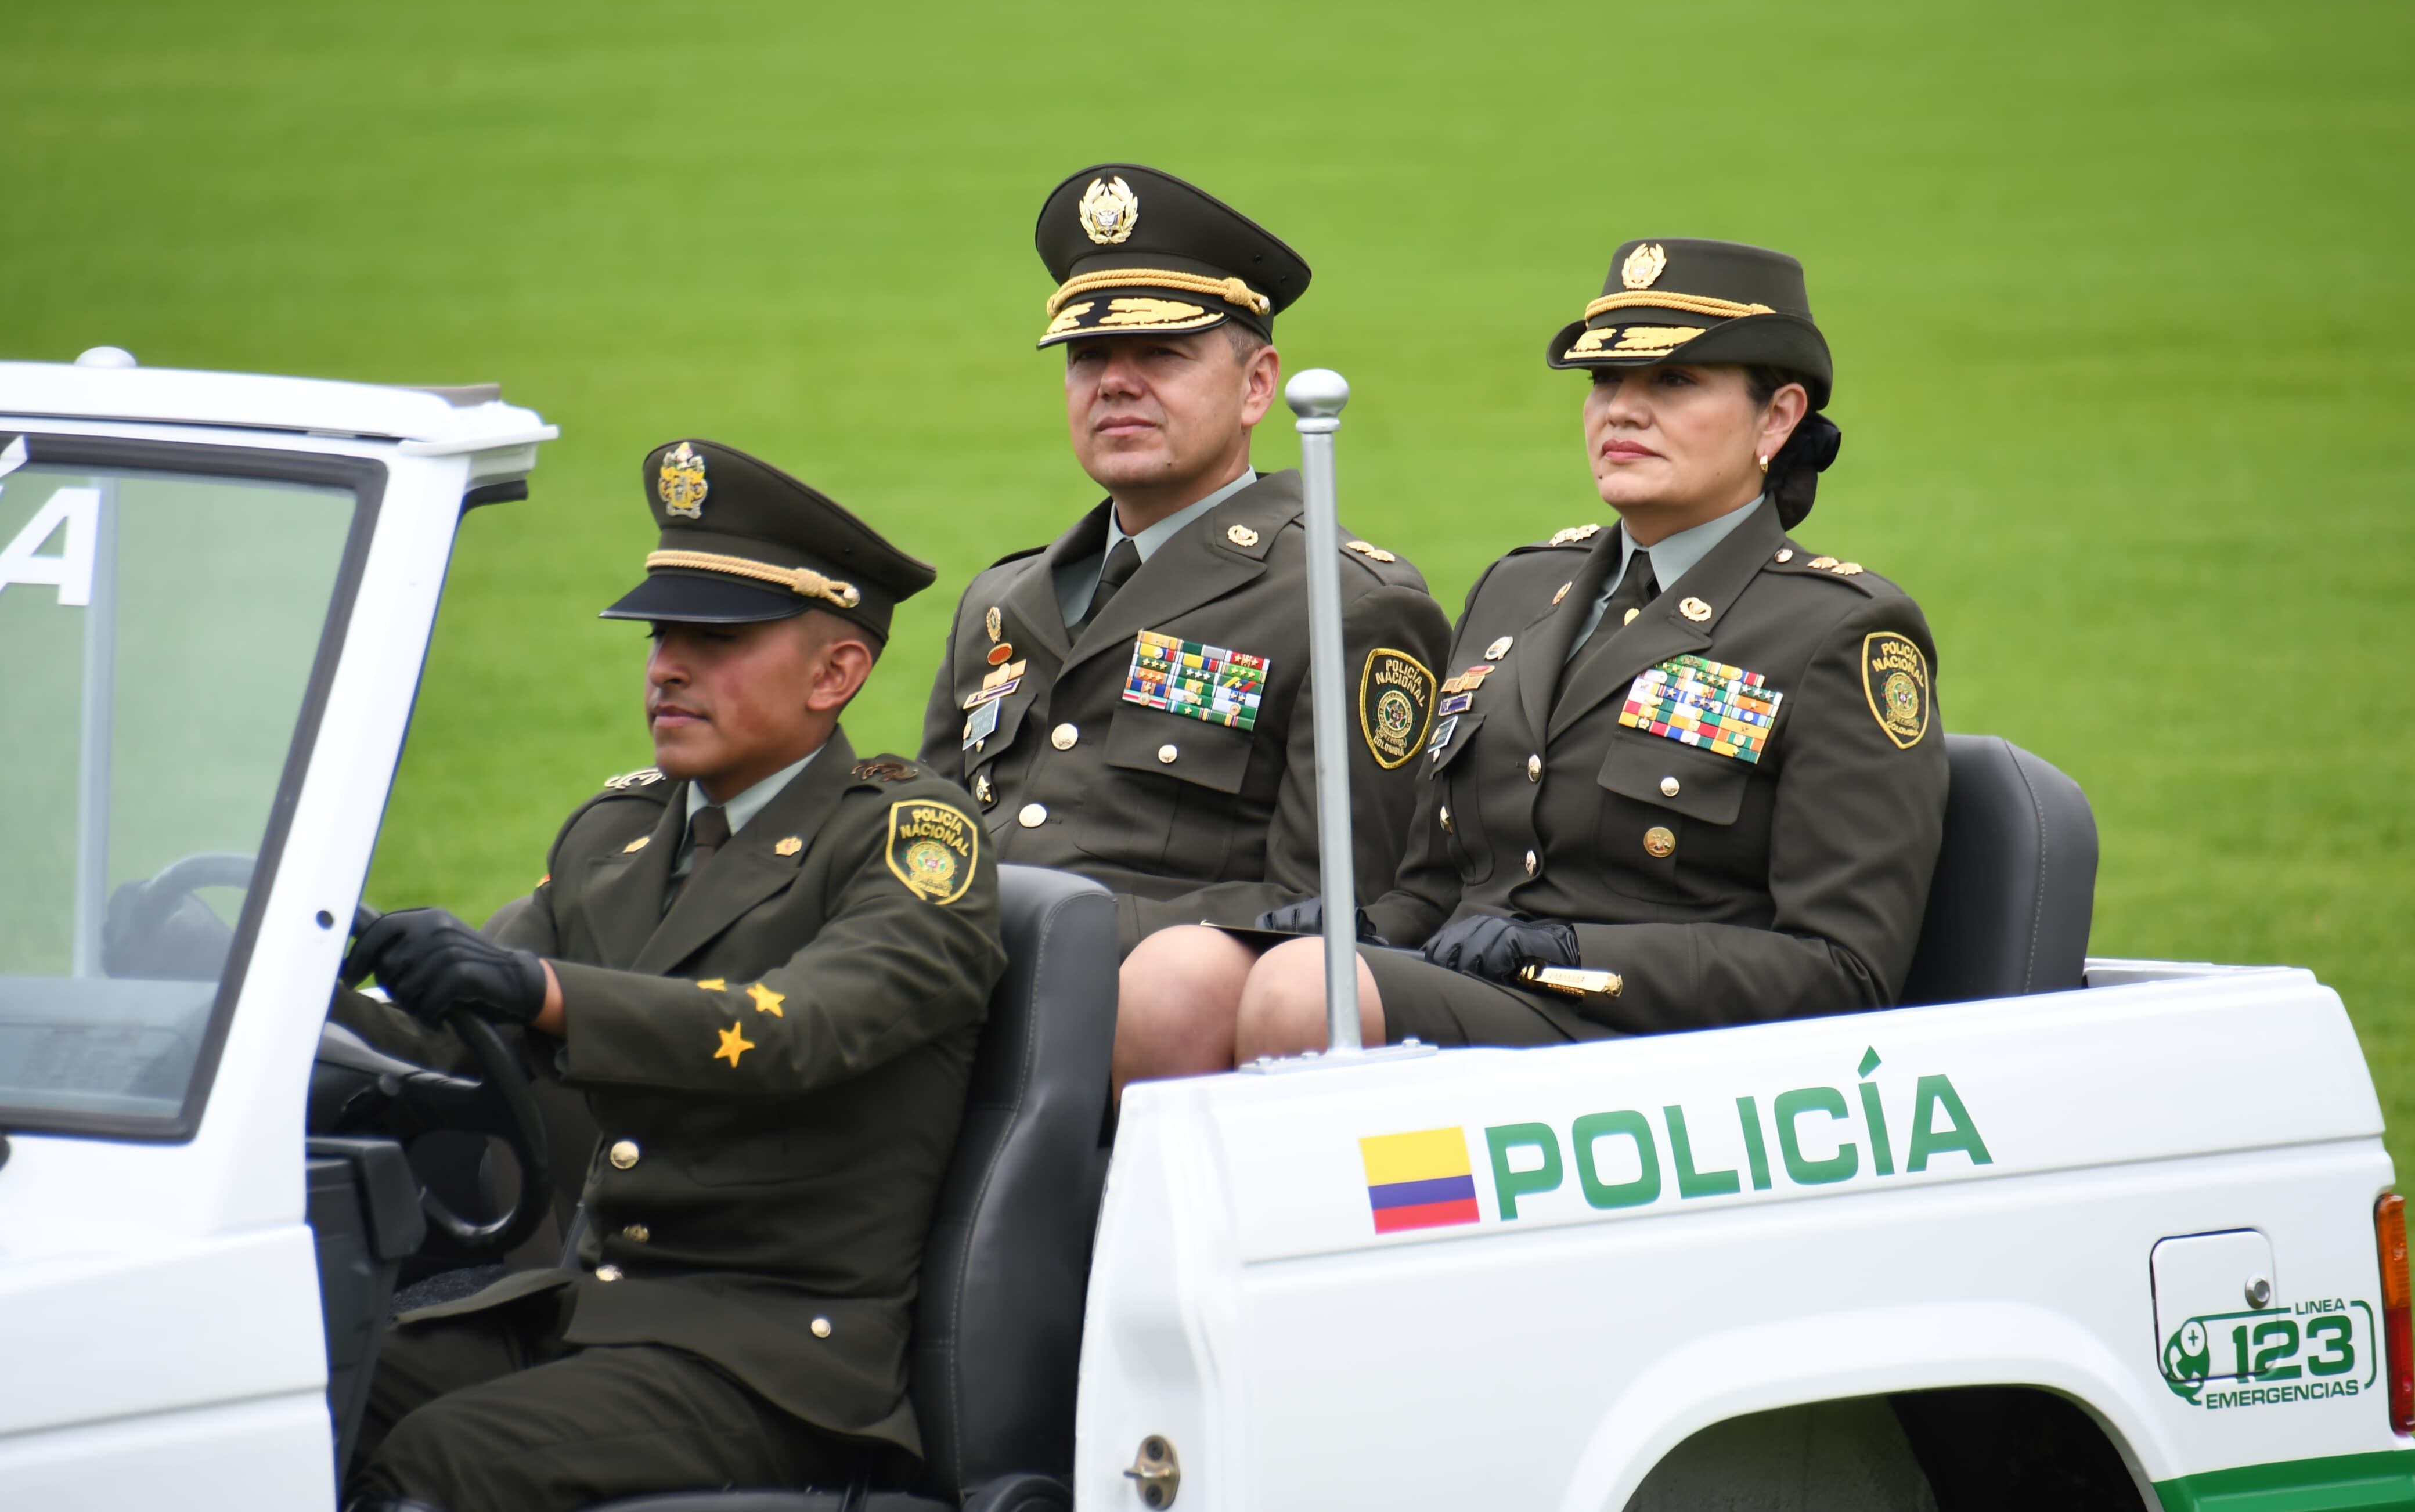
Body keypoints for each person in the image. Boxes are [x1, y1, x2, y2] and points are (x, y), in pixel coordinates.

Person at [336, 439, 1004, 1512]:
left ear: (837, 672)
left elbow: (797, 1030)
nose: (667, 665)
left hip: (771, 1359)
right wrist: (300, 985)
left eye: (717, 638)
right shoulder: (617, 836)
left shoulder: (908, 843)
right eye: (661, 632)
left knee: (441, 1464)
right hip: (583, 1309)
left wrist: (537, 990)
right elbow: (465, 1028)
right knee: (301, 1387)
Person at [1123, 238, 1949, 1063]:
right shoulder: (1520, 589)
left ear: (1778, 416)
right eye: (1606, 381)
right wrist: (1365, 926)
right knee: (1179, 976)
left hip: (1644, 1033)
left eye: (1674, 382)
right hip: (1483, 994)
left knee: (1307, 991)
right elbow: (1438, 884)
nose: (1623, 410)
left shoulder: (1841, 630)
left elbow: (1845, 968)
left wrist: (1573, 954)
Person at [920, 163, 1449, 1087]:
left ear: (1258, 387)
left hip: (1142, 1015)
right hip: (956, 991)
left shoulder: (1344, 602)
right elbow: (938, 828)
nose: (1115, 385)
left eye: (1161, 355)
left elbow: (1324, 909)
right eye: (1089, 360)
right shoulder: (1003, 600)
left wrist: (1057, 930)